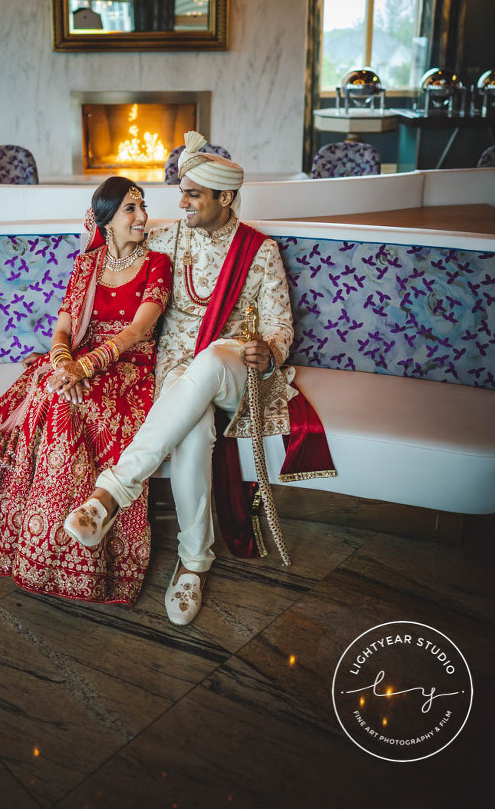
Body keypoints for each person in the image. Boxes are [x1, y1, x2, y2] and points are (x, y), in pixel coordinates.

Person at [64, 133, 335, 626]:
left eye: (193, 194)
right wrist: (72, 345)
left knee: (209, 361)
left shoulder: (260, 251)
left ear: (225, 197)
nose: (181, 203)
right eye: (181, 193)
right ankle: (193, 563)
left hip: (235, 368)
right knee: (193, 431)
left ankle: (112, 494)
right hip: (175, 371)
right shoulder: (167, 239)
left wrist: (269, 351)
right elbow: (109, 254)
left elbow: (281, 327)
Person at [0, 177, 172, 606]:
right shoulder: (86, 266)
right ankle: (29, 540)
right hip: (76, 362)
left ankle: (74, 545)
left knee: (62, 404)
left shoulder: (157, 263)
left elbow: (138, 330)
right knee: (26, 406)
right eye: (130, 209)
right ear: (106, 221)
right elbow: (62, 329)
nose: (142, 216)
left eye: (142, 206)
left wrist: (84, 367)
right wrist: (62, 364)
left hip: (128, 369)